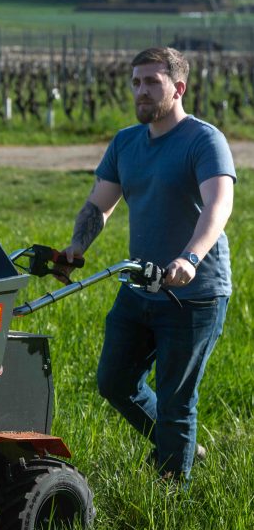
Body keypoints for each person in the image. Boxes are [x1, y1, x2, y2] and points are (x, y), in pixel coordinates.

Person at [59, 47, 235, 481]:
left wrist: (190, 258)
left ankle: (170, 496)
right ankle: (182, 445)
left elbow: (218, 205)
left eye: (151, 82)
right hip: (140, 286)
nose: (140, 91)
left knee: (177, 402)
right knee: (114, 382)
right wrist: (76, 247)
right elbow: (100, 205)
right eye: (136, 82)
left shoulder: (204, 140)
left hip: (193, 294)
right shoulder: (125, 143)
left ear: (178, 88)